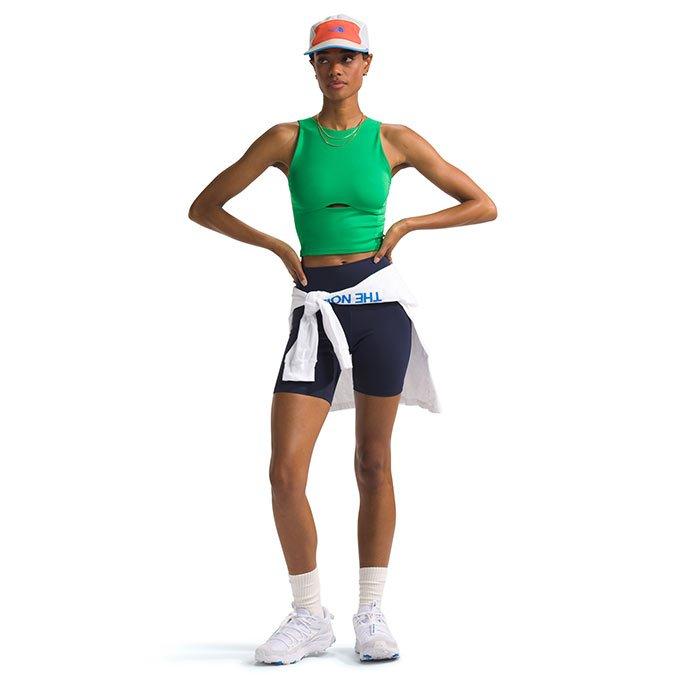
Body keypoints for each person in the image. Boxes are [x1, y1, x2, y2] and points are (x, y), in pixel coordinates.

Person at [188, 14, 497, 665]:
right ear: (312, 65)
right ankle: (309, 616)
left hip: (379, 308)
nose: (336, 68)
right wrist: (276, 245)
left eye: (347, 57)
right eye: (324, 58)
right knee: (284, 471)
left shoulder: (394, 139)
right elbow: (205, 206)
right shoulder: (286, 138)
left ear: (366, 64)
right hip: (315, 313)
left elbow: (481, 204)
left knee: (372, 462)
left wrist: (408, 224)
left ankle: (372, 611)